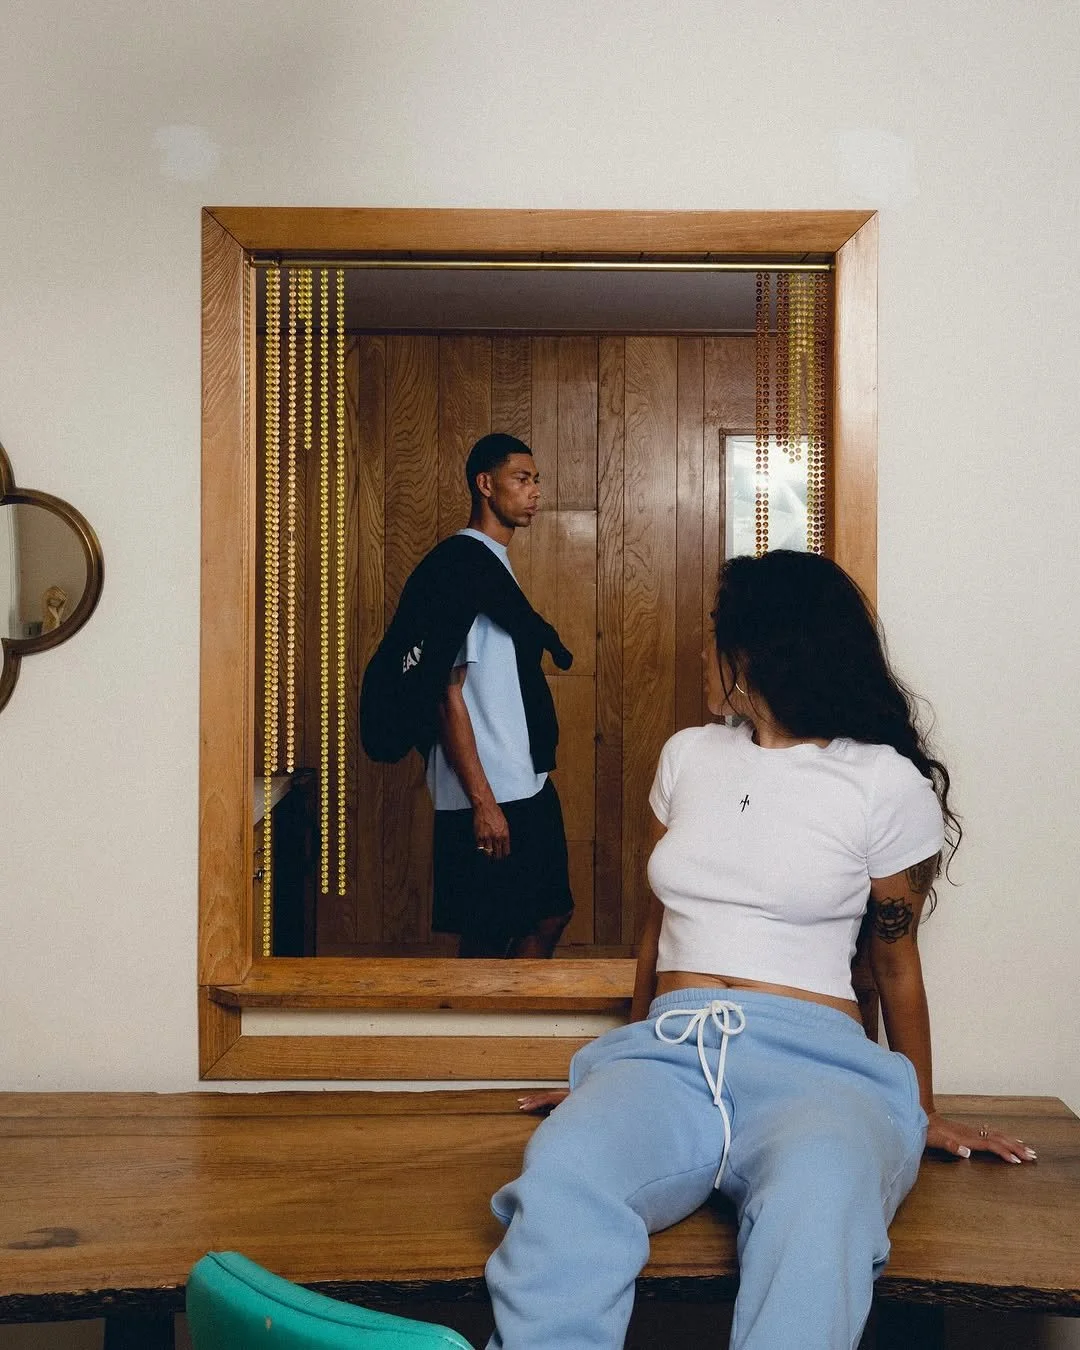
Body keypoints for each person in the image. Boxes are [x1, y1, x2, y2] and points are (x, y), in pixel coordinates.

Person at [483, 550, 1036, 1350]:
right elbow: (657, 925)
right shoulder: (687, 756)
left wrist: (915, 1112)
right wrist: (619, 1069)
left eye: (715, 631)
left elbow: (895, 961)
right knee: (564, 1174)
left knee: (819, 1202)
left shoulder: (882, 783)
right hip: (670, 1054)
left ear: (756, 652)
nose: (700, 647)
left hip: (817, 1069)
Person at [380, 431, 570, 960]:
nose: (535, 491)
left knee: (545, 914)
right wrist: (483, 803)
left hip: (522, 779)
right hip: (487, 790)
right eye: (521, 479)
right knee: (487, 934)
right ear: (485, 484)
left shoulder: (489, 563)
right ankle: (482, 1017)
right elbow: (445, 694)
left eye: (536, 480)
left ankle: (508, 1012)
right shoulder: (459, 569)